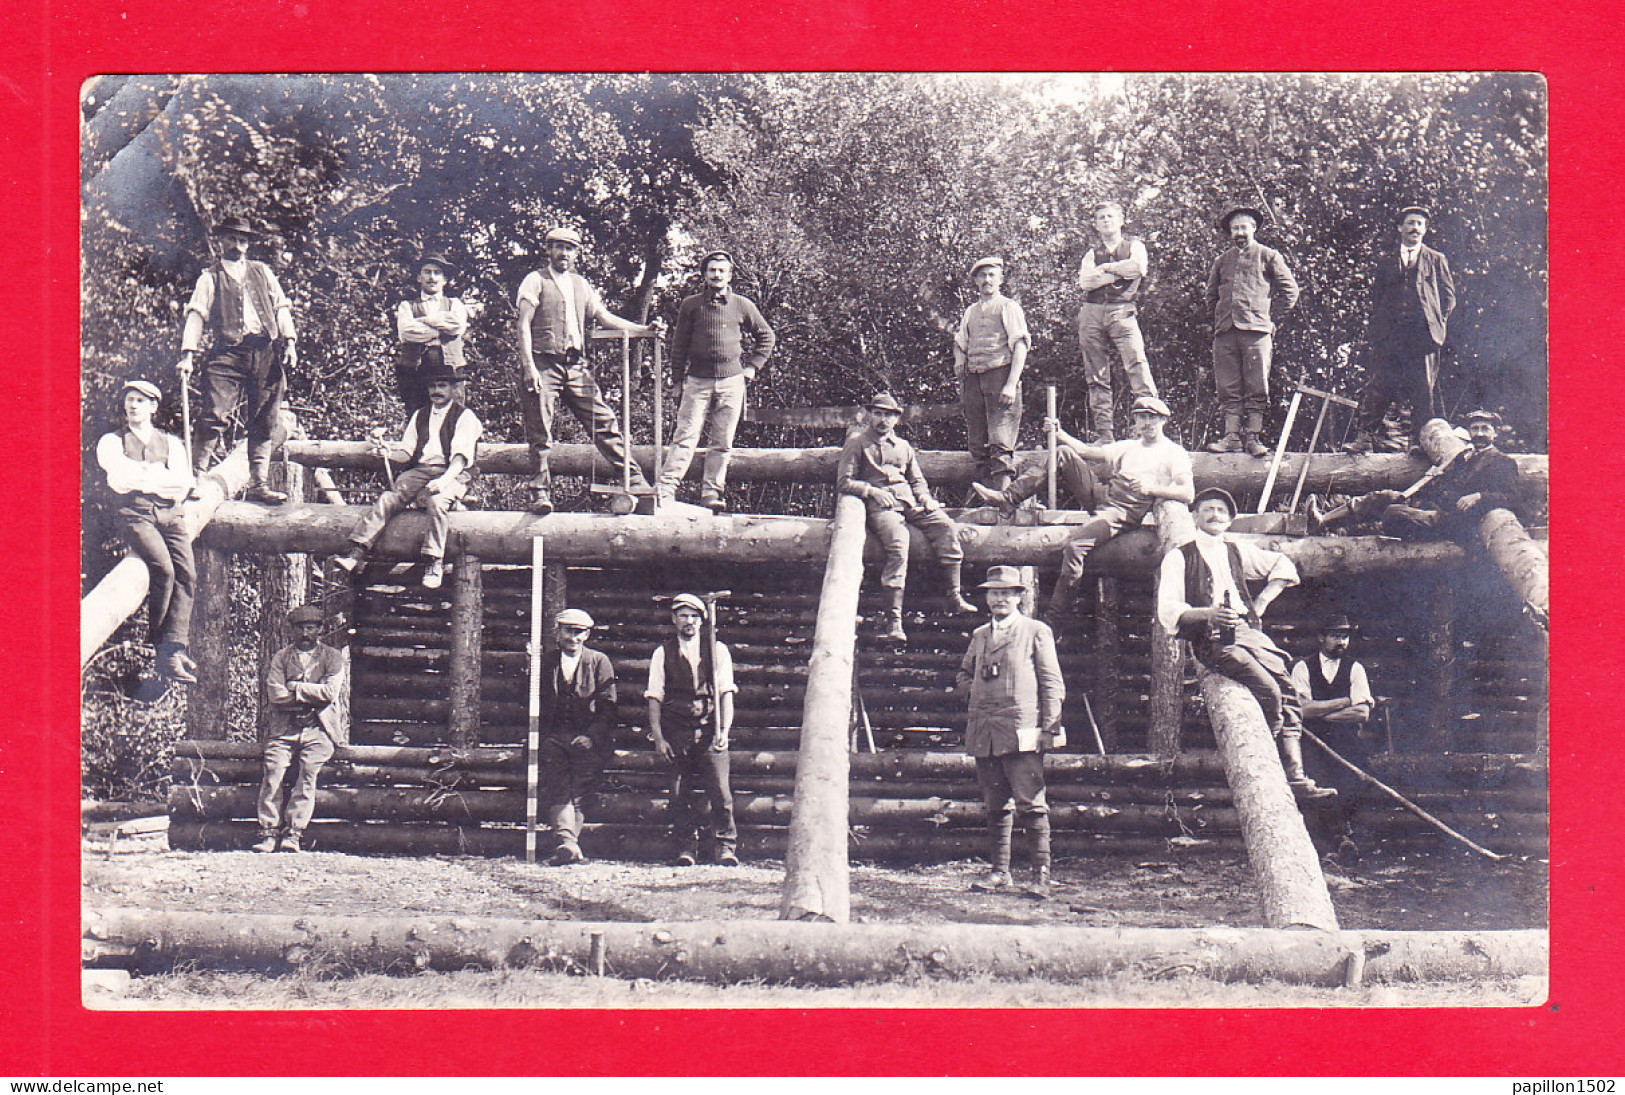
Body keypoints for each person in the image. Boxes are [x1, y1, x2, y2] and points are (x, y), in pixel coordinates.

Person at [1156, 487, 1334, 799]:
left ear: (1229, 520)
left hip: (1249, 632)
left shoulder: (1237, 550)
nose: (1215, 515)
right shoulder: (1179, 556)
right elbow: (1169, 610)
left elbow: (1283, 566)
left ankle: (1295, 776)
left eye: (1221, 511)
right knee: (1268, 690)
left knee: (1288, 689)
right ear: (1194, 516)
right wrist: (1209, 614)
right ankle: (1267, 765)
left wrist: (1262, 601)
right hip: (1211, 638)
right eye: (1208, 509)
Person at [973, 396, 1193, 618]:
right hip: (1104, 494)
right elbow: (1086, 451)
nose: (1146, 423)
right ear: (1135, 420)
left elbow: (1187, 493)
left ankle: (1055, 617)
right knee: (1063, 453)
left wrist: (1152, 489)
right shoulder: (1129, 446)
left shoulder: (1173, 452)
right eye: (1141, 418)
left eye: (1152, 418)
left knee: (1075, 547)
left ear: (1164, 420)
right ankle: (1008, 499)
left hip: (1123, 510)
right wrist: (1059, 433)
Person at [514, 226, 660, 515]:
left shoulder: (581, 285)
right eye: (558, 247)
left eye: (569, 248)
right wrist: (528, 366)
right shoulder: (535, 280)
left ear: (576, 253)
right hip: (544, 364)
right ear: (549, 250)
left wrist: (644, 330)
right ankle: (540, 492)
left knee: (604, 421)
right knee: (540, 430)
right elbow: (522, 325)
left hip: (575, 365)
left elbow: (604, 317)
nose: (563, 253)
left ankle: (635, 481)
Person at [957, 566, 1065, 897]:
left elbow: (1051, 681)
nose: (1000, 598)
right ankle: (999, 872)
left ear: (1020, 596)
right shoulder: (979, 636)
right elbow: (964, 674)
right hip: (984, 729)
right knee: (995, 804)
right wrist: (977, 694)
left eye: (1007, 592)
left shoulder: (1035, 631)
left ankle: (1041, 877)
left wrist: (1051, 726)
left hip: (1023, 729)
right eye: (994, 592)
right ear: (987, 598)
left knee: (1031, 803)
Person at [176, 215, 299, 504]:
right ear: (221, 241)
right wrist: (187, 356)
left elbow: (281, 306)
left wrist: (290, 341)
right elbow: (197, 316)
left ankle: (259, 484)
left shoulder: (262, 272)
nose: (238, 245)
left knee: (265, 418)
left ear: (249, 244)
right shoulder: (210, 277)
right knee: (215, 413)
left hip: (265, 352)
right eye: (232, 238)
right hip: (228, 353)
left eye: (243, 239)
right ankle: (195, 478)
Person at [838, 392, 978, 644]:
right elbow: (845, 482)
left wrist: (925, 498)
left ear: (896, 419)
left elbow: (917, 480)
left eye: (888, 415)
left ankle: (954, 596)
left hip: (911, 503)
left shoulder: (903, 446)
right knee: (898, 547)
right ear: (869, 414)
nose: (883, 420)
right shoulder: (858, 443)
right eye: (878, 413)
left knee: (946, 527)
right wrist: (872, 491)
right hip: (882, 507)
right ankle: (894, 621)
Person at [332, 359, 481, 590]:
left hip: (454, 473)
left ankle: (434, 560)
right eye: (432, 386)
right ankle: (357, 550)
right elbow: (406, 452)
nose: (436, 391)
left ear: (453, 389)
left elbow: (460, 459)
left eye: (442, 386)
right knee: (389, 498)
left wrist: (442, 482)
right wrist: (387, 451)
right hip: (422, 470)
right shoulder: (420, 415)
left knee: (436, 501)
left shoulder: (465, 417)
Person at [655, 250, 777, 514]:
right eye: (712, 270)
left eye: (722, 271)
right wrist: (677, 380)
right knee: (685, 436)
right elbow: (679, 345)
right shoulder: (691, 305)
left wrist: (752, 368)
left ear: (730, 275)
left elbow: (767, 336)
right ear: (704, 274)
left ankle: (711, 492)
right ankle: (665, 489)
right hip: (697, 382)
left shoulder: (742, 305)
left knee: (722, 441)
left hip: (732, 383)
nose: (717, 275)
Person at [95, 379, 198, 688]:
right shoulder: (112, 442)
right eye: (129, 400)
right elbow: (119, 479)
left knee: (188, 574)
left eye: (140, 400)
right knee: (163, 570)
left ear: (153, 406)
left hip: (170, 513)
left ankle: (175, 646)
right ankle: (162, 650)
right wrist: (158, 477)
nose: (133, 405)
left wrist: (147, 477)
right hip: (135, 514)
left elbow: (182, 484)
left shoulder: (172, 444)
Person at [1345, 207, 1457, 453]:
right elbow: (1378, 298)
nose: (1415, 228)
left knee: (1422, 389)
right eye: (1410, 223)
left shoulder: (1436, 259)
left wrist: (1435, 323)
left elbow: (1448, 299)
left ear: (1425, 230)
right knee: (1380, 384)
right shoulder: (1386, 260)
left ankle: (1419, 442)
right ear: (1400, 228)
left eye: (1419, 224)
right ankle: (1364, 438)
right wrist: (1381, 328)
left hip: (1422, 337)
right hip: (1391, 336)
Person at [1313, 411, 1519, 542]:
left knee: (1394, 513)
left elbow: (1511, 498)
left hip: (1456, 524)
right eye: (1475, 429)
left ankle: (1379, 530)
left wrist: (1479, 497)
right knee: (1382, 497)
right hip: (1434, 508)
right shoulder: (1462, 457)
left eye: (1485, 429)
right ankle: (1323, 521)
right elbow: (1446, 485)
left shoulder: (1502, 462)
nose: (1480, 433)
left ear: (1495, 434)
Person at [646, 593, 740, 866]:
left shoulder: (717, 649)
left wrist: (724, 730)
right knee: (678, 793)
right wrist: (659, 737)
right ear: (674, 619)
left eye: (694, 616)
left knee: (721, 791)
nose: (689, 621)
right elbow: (655, 697)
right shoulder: (662, 652)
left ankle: (725, 847)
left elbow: (726, 693)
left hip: (710, 727)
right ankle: (686, 848)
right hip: (677, 729)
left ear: (703, 620)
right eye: (683, 616)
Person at [1204, 206, 1300, 457]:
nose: (1240, 233)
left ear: (1253, 229)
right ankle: (1231, 437)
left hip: (1257, 331)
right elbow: (1210, 295)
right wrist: (1219, 319)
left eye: (1244, 227)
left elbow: (1290, 291)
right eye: (1235, 228)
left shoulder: (1268, 255)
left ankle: (1253, 438)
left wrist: (1270, 320)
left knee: (1257, 385)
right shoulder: (1221, 261)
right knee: (1228, 386)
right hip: (1225, 332)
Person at [255, 604, 348, 853]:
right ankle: (268, 832)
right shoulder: (282, 657)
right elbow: (276, 696)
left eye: (311, 628)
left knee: (308, 774)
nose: (306, 633)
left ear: (320, 629)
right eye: (300, 628)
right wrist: (309, 693)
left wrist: (295, 687)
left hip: (319, 730)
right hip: (284, 730)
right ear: (292, 630)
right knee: (273, 772)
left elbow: (329, 693)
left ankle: (294, 833)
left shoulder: (332, 657)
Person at [533, 608, 619, 866]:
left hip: (588, 740)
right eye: (568, 631)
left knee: (580, 790)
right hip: (554, 738)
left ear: (587, 634)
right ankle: (568, 844)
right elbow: (530, 697)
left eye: (579, 632)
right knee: (558, 786)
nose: (573, 637)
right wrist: (530, 665)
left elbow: (609, 705)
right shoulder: (546, 662)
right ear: (558, 633)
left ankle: (568, 844)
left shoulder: (598, 661)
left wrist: (592, 736)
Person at [1292, 614, 1377, 850]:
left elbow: (1361, 713)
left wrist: (1321, 713)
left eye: (1345, 637)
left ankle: (1341, 836)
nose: (1342, 642)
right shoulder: (1302, 667)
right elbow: (1301, 710)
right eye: (1335, 636)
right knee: (1316, 782)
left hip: (1346, 740)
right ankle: (1335, 840)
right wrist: (1342, 702)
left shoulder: (1355, 668)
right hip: (1313, 741)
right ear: (1321, 637)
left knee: (1358, 778)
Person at [1076, 201, 1158, 442]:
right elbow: (1086, 283)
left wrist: (1107, 269)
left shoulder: (1134, 246)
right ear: (1095, 224)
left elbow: (1136, 268)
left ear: (1121, 221)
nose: (1106, 221)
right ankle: (1104, 435)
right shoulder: (1092, 253)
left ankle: (1148, 430)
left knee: (1137, 365)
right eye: (1101, 218)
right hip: (1092, 312)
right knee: (1096, 374)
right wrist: (1117, 272)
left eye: (1110, 216)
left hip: (1122, 311)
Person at [953, 256, 1030, 493]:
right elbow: (959, 342)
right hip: (974, 380)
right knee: (977, 442)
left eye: (991, 275)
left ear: (1000, 279)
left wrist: (1011, 384)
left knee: (1001, 441)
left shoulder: (1008, 307)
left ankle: (1004, 498)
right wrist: (959, 359)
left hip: (1000, 376)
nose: (987, 280)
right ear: (975, 280)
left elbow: (1020, 345)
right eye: (982, 276)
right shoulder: (970, 311)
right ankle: (984, 497)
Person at [394, 251, 469, 414]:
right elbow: (407, 333)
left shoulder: (455, 305)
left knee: (453, 416)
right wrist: (441, 329)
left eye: (437, 273)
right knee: (417, 417)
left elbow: (456, 326)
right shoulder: (407, 306)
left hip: (450, 369)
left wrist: (423, 321)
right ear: (419, 277)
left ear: (444, 279)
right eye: (427, 272)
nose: (432, 277)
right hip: (416, 369)